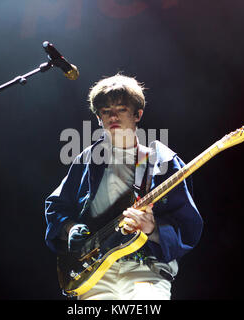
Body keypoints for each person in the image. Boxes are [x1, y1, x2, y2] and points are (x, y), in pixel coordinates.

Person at [45, 73, 203, 300]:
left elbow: (187, 225)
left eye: (121, 109)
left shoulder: (162, 161)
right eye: (105, 111)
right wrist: (70, 229)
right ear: (98, 118)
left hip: (146, 271)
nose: (113, 117)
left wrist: (153, 229)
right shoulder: (86, 160)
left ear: (137, 114)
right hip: (95, 274)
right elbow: (56, 205)